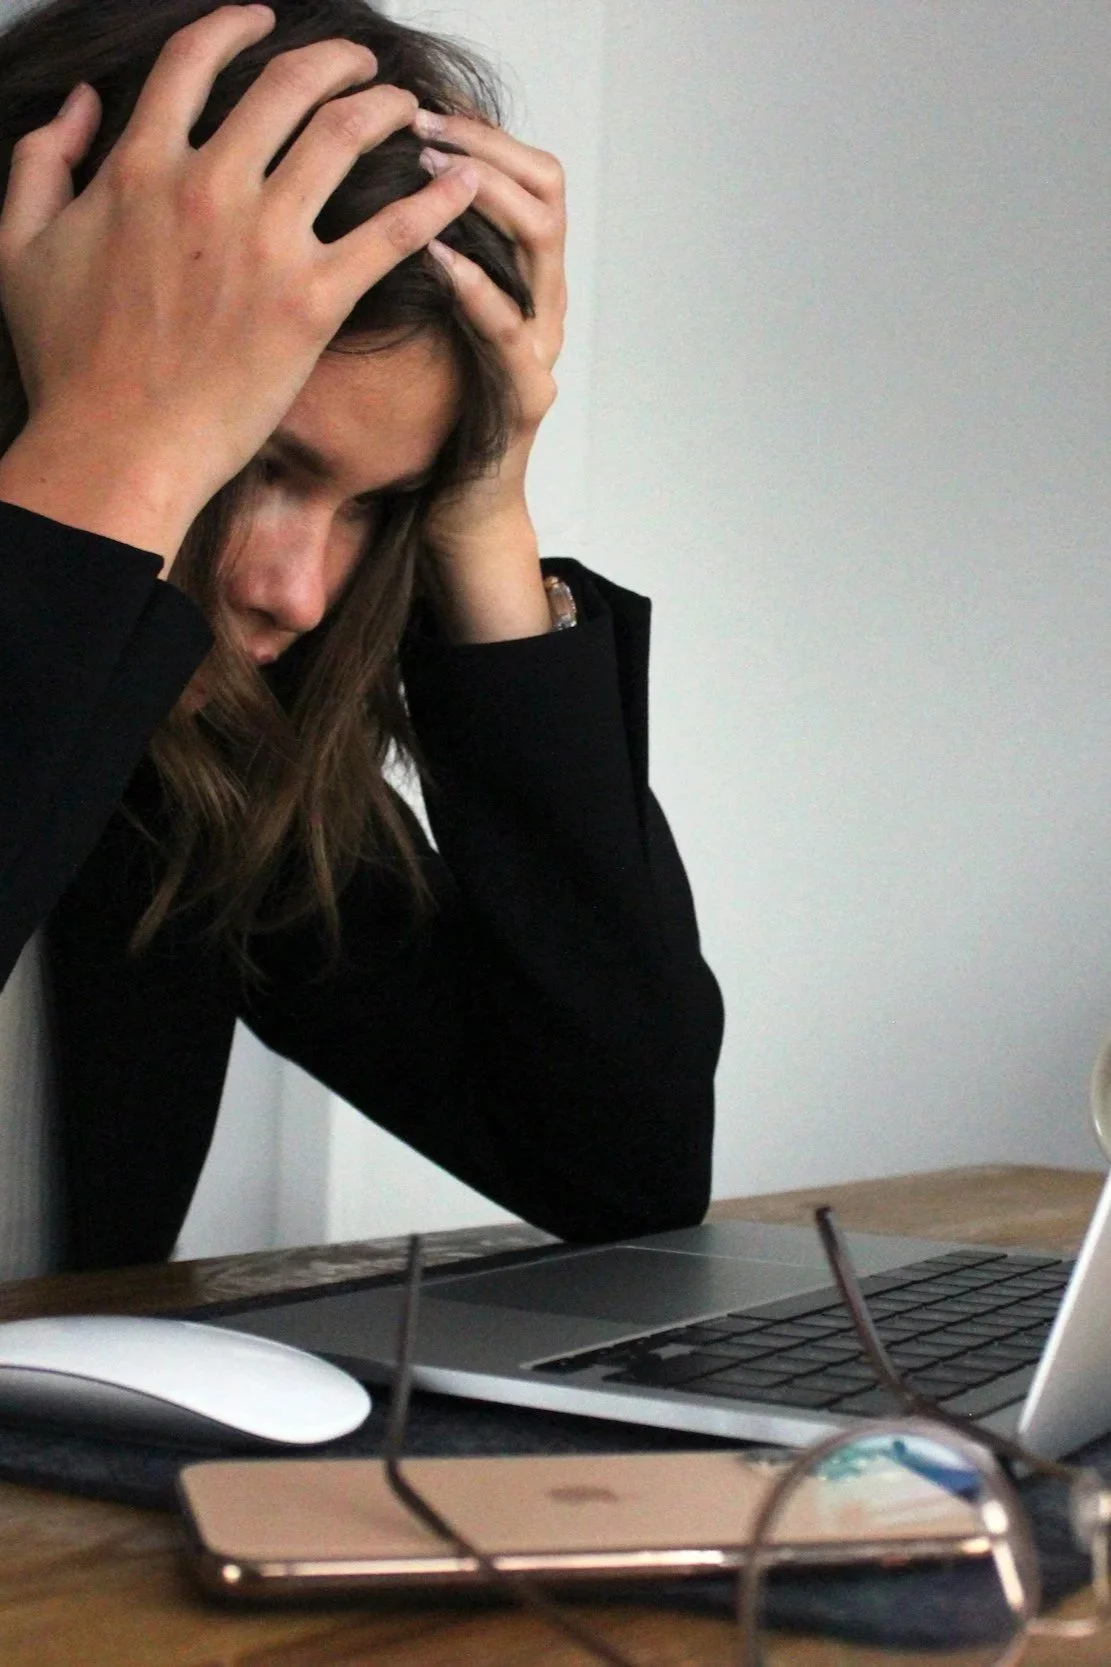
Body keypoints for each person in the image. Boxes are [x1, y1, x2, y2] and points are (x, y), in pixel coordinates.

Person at [0, 0, 723, 1274]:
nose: (300, 595)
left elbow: (620, 1164)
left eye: (375, 505)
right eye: (256, 458)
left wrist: (482, 510)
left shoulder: (194, 768)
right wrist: (115, 447)